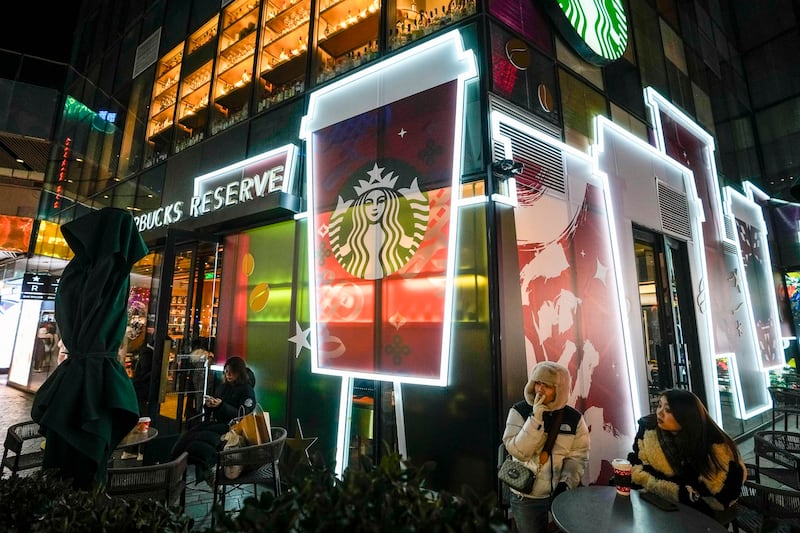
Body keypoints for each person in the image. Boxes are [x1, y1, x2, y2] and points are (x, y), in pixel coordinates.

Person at [627, 389, 745, 520]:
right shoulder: (648, 431)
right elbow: (637, 463)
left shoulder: (714, 447)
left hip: (700, 519)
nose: (659, 413)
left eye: (668, 410)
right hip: (654, 508)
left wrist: (678, 491)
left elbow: (721, 497)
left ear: (686, 417)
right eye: (659, 406)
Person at [502, 361, 590, 533]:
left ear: (560, 389)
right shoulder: (519, 411)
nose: (540, 390)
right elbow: (519, 452)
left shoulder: (574, 419)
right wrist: (535, 418)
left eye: (547, 385)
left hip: (559, 494)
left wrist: (566, 484)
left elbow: (578, 456)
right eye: (537, 383)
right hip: (525, 495)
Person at [170, 356, 255, 484]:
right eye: (226, 371)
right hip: (215, 423)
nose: (228, 375)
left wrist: (221, 405)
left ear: (239, 372)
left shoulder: (247, 390)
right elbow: (217, 404)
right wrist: (210, 405)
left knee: (200, 443)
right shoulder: (223, 387)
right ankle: (175, 467)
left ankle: (203, 472)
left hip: (231, 428)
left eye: (231, 372)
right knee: (188, 438)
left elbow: (242, 414)